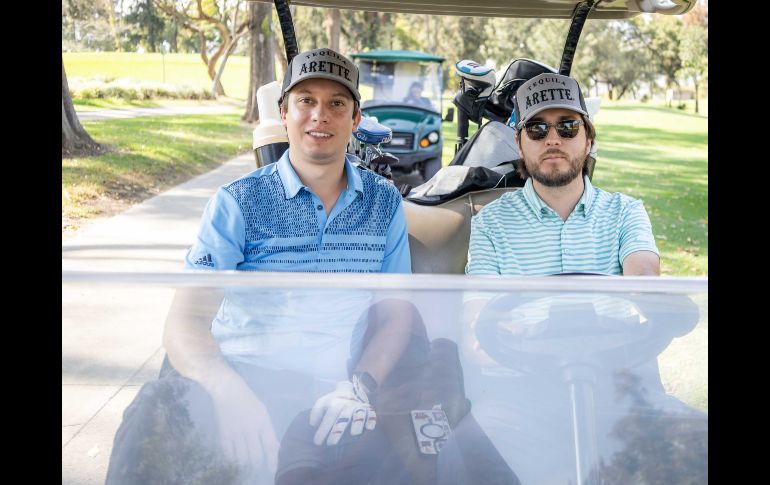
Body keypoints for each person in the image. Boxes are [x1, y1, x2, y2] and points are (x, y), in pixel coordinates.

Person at [105, 47, 414, 485]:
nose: (320, 115)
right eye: (306, 101)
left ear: (355, 119)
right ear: (284, 113)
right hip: (239, 373)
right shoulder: (238, 201)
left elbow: (396, 314)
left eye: (336, 103)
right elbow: (184, 323)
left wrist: (360, 386)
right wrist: (228, 392)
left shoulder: (384, 203)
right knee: (151, 412)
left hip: (333, 391)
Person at [466, 72, 660, 278]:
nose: (552, 139)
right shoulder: (490, 223)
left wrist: (644, 286)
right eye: (536, 128)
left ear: (589, 142)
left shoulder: (625, 213)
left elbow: (644, 277)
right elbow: (482, 298)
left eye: (568, 127)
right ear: (519, 145)